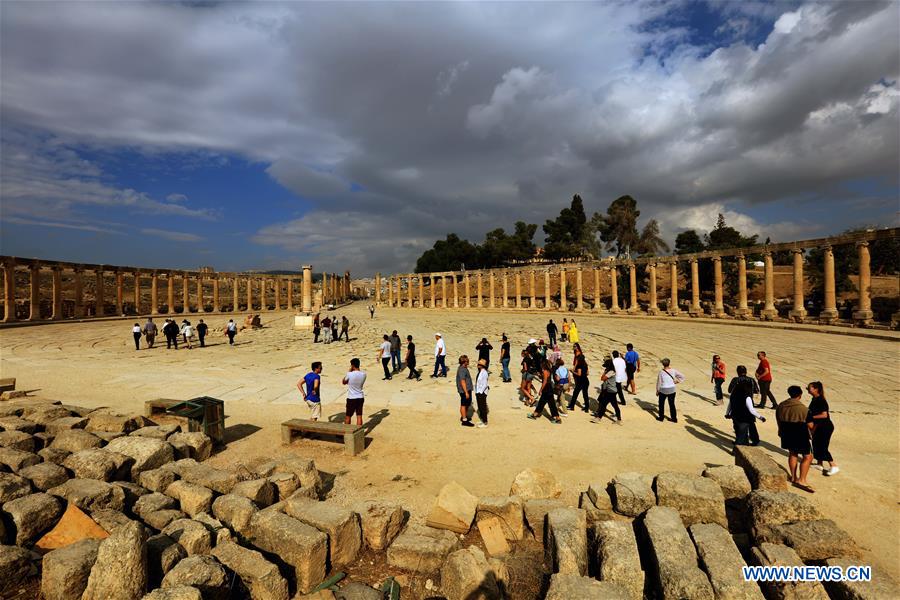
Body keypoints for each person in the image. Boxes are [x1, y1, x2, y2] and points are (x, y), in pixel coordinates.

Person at [776, 385, 814, 492]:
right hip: (800, 434)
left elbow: (778, 419)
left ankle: (793, 477)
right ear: (800, 395)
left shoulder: (781, 406)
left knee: (793, 453)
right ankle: (802, 480)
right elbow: (810, 426)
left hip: (786, 433)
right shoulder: (804, 409)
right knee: (808, 457)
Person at [726, 366, 766, 446]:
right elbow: (757, 390)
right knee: (751, 425)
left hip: (737, 405)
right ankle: (755, 440)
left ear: (738, 372)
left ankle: (741, 440)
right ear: (746, 371)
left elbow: (729, 390)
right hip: (748, 402)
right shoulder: (751, 380)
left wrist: (727, 413)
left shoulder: (735, 380)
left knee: (738, 426)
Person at [807, 381, 839, 476]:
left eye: (809, 388)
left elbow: (824, 415)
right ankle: (819, 464)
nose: (808, 389)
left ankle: (833, 466)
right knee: (816, 444)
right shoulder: (814, 399)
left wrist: (811, 418)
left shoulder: (821, 400)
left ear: (816, 389)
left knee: (822, 446)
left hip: (825, 427)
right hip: (818, 426)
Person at [528, 359, 562, 424]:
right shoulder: (549, 371)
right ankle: (535, 414)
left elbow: (545, 381)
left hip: (547, 388)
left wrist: (541, 390)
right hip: (549, 388)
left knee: (547, 403)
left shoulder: (545, 371)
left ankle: (557, 418)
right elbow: (545, 379)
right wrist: (539, 375)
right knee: (544, 403)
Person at [593, 358, 622, 423]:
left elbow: (602, 378)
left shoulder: (611, 372)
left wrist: (605, 372)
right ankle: (619, 419)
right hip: (612, 390)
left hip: (610, 390)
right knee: (614, 405)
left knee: (603, 404)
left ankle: (598, 418)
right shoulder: (612, 371)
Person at [655, 358, 685, 422]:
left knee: (661, 404)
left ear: (663, 364)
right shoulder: (673, 370)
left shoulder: (661, 372)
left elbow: (659, 382)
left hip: (663, 390)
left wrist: (657, 390)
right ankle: (674, 418)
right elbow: (682, 376)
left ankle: (661, 417)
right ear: (669, 363)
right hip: (672, 389)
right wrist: (677, 381)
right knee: (672, 404)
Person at [342, 358, 366, 427]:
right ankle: (359, 432)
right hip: (360, 397)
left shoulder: (350, 374)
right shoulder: (363, 374)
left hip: (351, 397)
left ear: (352, 365)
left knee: (348, 416)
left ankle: (346, 431)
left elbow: (344, 382)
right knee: (359, 415)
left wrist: (349, 371)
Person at [569, 343, 590, 412]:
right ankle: (586, 408)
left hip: (580, 381)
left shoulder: (579, 366)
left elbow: (579, 374)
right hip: (585, 381)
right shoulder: (585, 365)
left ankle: (572, 406)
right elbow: (587, 373)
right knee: (585, 395)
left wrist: (572, 371)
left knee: (575, 393)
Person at [456, 355, 475, 427]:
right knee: (463, 404)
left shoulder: (463, 368)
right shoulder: (462, 370)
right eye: (467, 360)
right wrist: (466, 392)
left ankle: (464, 416)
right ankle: (464, 420)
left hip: (466, 389)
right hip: (464, 390)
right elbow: (462, 381)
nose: (469, 361)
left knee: (467, 403)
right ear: (464, 362)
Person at [475, 358, 490, 428]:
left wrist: (480, 392)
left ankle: (485, 422)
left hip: (482, 392)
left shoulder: (484, 373)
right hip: (478, 392)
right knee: (480, 406)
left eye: (479, 364)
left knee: (483, 407)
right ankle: (483, 420)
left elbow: (484, 384)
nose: (477, 365)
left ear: (481, 365)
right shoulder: (480, 372)